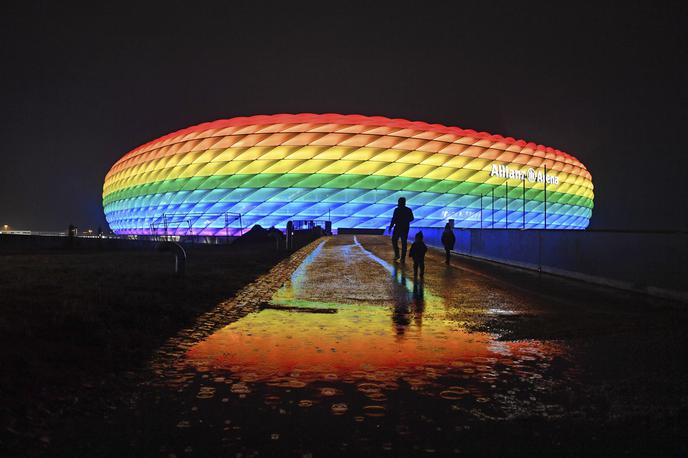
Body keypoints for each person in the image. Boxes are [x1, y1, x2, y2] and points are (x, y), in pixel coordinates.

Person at [389, 197, 414, 262]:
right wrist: (406, 221)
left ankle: (397, 255)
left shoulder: (396, 210)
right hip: (405, 228)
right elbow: (412, 218)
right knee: (404, 242)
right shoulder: (408, 210)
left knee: (394, 241)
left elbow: (393, 219)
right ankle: (402, 257)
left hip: (397, 227)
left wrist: (391, 226)